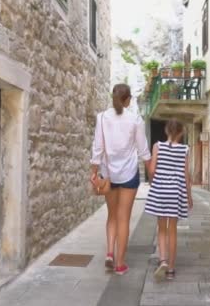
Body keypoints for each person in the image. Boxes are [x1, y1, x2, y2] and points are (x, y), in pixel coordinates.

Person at [90, 83, 152, 275]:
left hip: (108, 174)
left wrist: (94, 172)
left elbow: (97, 148)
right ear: (127, 100)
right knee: (124, 218)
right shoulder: (135, 120)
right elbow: (143, 151)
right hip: (129, 174)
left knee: (112, 216)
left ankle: (109, 253)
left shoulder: (101, 118)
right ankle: (120, 263)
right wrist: (152, 173)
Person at [145, 119, 193, 281]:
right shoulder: (185, 150)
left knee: (161, 229)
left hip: (159, 191)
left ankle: (163, 260)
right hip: (175, 192)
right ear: (180, 133)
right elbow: (186, 176)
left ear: (166, 131)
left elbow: (151, 169)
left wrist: (153, 182)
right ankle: (171, 269)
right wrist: (189, 197)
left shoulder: (157, 146)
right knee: (172, 230)